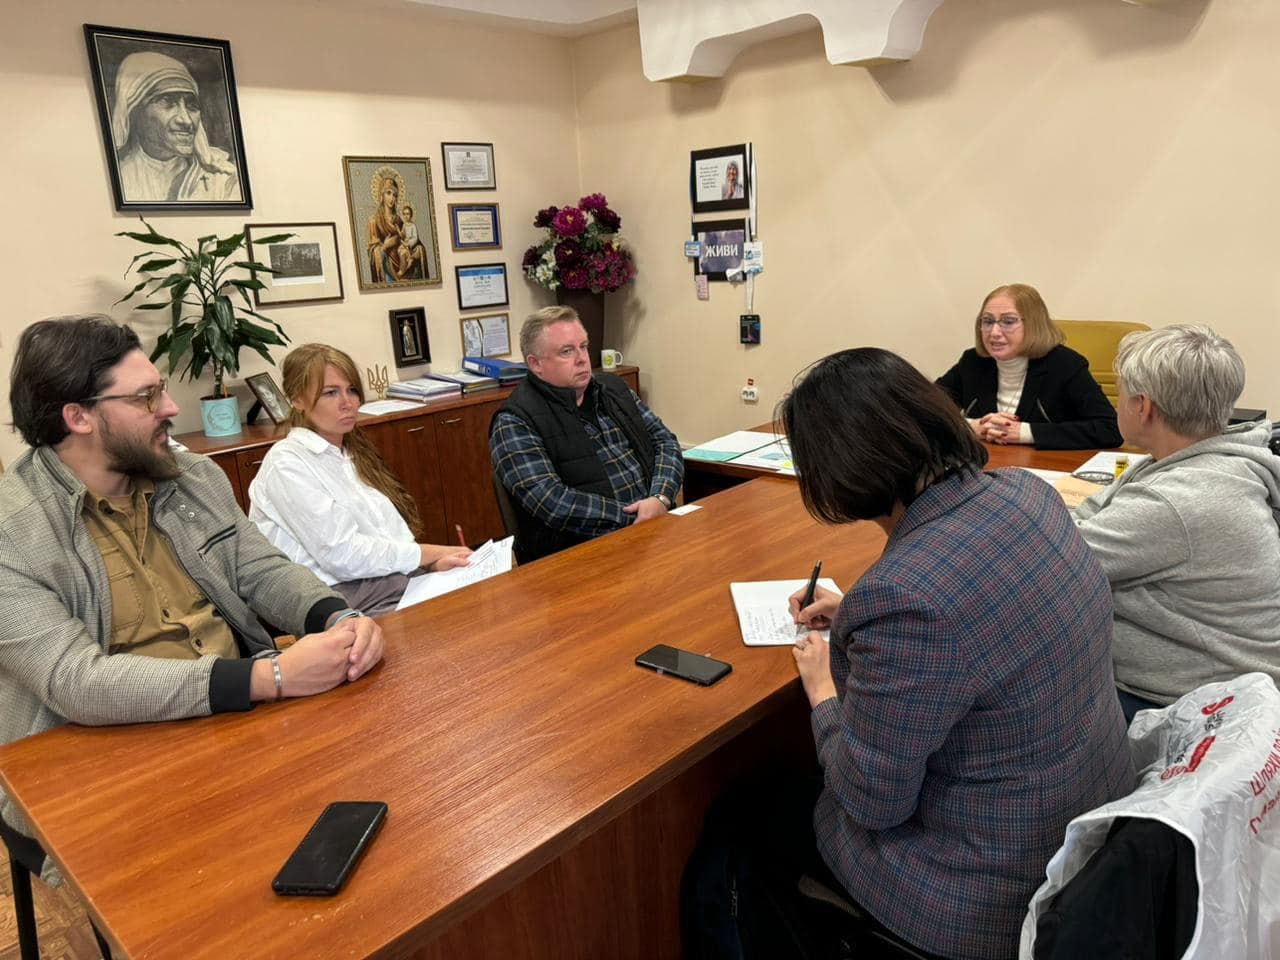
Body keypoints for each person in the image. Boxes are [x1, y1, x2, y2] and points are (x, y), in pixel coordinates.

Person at [684, 348, 1133, 960]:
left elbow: (872, 801)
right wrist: (863, 625)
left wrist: (823, 691)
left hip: (983, 890)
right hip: (1083, 834)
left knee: (741, 810)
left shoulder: (905, 597)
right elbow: (990, 617)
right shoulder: (1027, 493)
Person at [0, 316, 383, 853]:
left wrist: (337, 617)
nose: (171, 408)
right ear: (78, 417)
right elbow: (76, 682)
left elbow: (261, 569)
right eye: (146, 397)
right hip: (97, 762)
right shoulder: (13, 531)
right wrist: (267, 677)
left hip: (232, 723)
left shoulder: (190, 478)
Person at [1072, 324, 1280, 720]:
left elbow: (1050, 561)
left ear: (1143, 407)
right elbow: (1087, 516)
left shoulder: (1176, 499)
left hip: (1194, 704)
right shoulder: (1206, 461)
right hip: (1209, 677)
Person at [249, 344, 471, 615]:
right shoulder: (287, 463)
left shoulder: (349, 453)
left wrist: (430, 565)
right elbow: (342, 556)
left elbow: (387, 539)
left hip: (391, 581)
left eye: (351, 390)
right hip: (343, 599)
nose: (348, 402)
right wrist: (430, 554)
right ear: (297, 400)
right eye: (331, 392)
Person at [489, 307, 683, 564]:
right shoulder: (515, 420)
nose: (582, 359)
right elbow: (553, 502)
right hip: (582, 557)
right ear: (535, 364)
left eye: (583, 346)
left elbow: (664, 441)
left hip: (652, 533)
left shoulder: (612, 389)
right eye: (566, 351)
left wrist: (660, 497)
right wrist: (636, 517)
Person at [936, 283, 1121, 449]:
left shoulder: (1064, 365)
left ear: (1033, 325)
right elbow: (921, 410)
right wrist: (972, 427)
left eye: (1008, 322)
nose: (994, 332)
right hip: (987, 466)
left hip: (1048, 469)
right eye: (988, 321)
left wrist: (1024, 433)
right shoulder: (973, 362)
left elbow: (1110, 429)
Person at [110, 51, 240, 203]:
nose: (186, 120)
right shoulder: (117, 176)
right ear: (134, 111)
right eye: (167, 102)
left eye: (192, 106)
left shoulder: (223, 178)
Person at [366, 174, 422, 283]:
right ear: (381, 195)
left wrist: (418, 251)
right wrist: (385, 246)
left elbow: (414, 243)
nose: (392, 198)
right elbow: (373, 255)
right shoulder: (374, 221)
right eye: (388, 193)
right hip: (388, 273)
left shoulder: (400, 221)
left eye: (395, 195)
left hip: (406, 265)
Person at [395, 204, 428, 281]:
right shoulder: (404, 225)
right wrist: (398, 230)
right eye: (404, 214)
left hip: (411, 245)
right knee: (400, 250)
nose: (406, 216)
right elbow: (402, 235)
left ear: (411, 215)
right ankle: (402, 268)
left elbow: (415, 237)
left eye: (408, 214)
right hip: (405, 243)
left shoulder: (413, 225)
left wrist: (409, 243)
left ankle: (403, 270)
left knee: (403, 251)